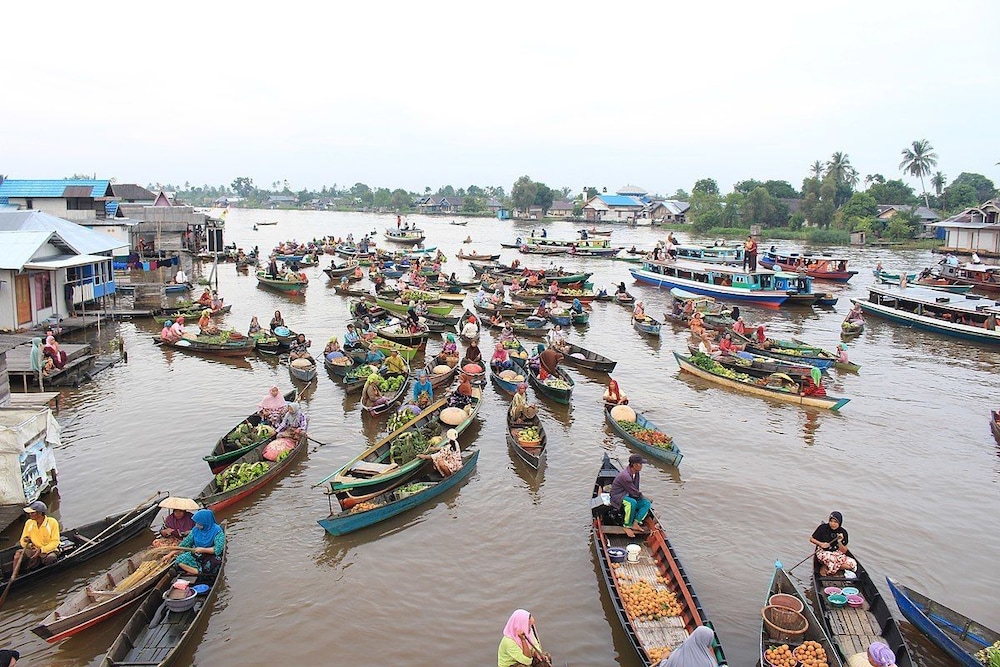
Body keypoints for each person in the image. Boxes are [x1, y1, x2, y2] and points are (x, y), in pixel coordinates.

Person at [173, 509, 225, 575]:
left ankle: (197, 572)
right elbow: (185, 544)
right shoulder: (195, 530)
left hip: (210, 554)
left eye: (199, 523)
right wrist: (170, 554)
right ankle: (197, 571)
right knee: (179, 560)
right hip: (197, 553)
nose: (197, 525)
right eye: (196, 523)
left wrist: (203, 550)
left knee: (211, 565)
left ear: (205, 522)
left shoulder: (217, 531)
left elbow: (218, 549)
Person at [610, 454, 650, 532]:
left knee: (646, 503)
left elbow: (635, 488)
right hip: (618, 496)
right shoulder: (625, 476)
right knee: (632, 503)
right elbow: (633, 491)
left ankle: (636, 523)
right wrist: (641, 496)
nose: (642, 466)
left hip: (628, 494)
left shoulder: (636, 472)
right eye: (640, 464)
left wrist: (642, 498)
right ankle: (627, 525)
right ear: (634, 465)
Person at [17, 500, 60, 571]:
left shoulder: (52, 522)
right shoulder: (29, 523)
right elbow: (22, 541)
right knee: (18, 554)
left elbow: (55, 542)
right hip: (34, 549)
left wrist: (41, 550)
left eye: (32, 513)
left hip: (48, 551)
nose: (30, 514)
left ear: (40, 513)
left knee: (51, 558)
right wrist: (30, 546)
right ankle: (15, 574)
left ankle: (48, 572)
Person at [810, 511, 857, 575]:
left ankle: (827, 566)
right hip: (823, 552)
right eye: (831, 521)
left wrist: (839, 541)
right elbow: (811, 539)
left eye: (835, 522)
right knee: (831, 560)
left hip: (836, 553)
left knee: (852, 563)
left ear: (839, 523)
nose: (832, 524)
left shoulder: (843, 532)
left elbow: (844, 551)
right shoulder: (823, 528)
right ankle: (830, 567)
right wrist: (821, 544)